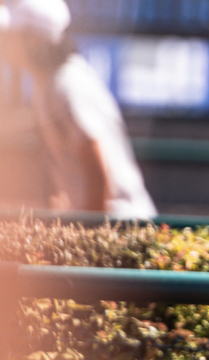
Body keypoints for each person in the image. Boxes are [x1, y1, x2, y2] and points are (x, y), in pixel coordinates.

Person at [0, 0, 157, 219]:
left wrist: (91, 236)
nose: (4, 42)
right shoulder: (48, 84)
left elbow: (99, 173)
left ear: (33, 39)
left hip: (120, 227)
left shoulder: (67, 86)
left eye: (10, 35)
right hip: (109, 224)